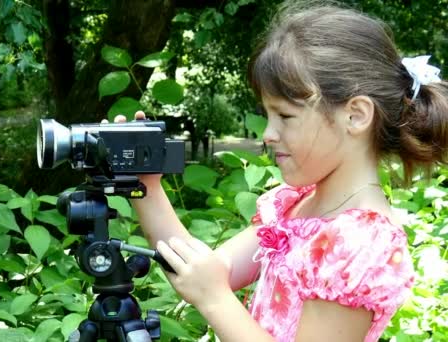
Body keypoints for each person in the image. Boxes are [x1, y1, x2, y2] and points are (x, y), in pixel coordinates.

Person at [112, 2, 448, 341]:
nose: (268, 134)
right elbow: (202, 272)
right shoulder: (295, 206)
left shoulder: (362, 244)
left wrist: (214, 297)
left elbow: (210, 288)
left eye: (285, 116)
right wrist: (145, 187)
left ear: (356, 115)